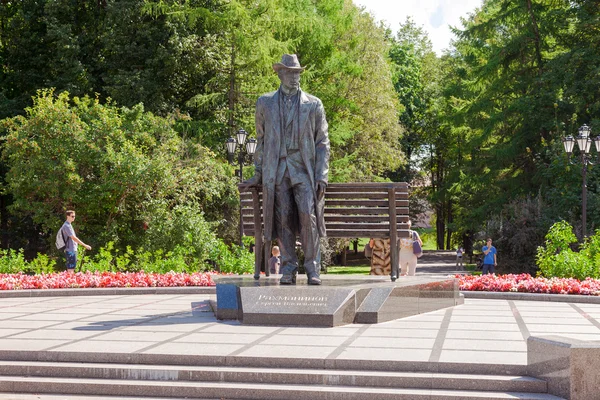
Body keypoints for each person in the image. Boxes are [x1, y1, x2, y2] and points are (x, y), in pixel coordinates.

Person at [241, 54, 330, 286]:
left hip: (303, 171)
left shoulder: (313, 104)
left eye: (297, 73)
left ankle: (313, 269)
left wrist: (321, 174)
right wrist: (258, 173)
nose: (294, 77)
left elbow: (322, 143)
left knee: (307, 216)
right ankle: (288, 268)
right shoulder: (265, 103)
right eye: (290, 73)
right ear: (280, 74)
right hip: (278, 170)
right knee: (283, 220)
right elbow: (261, 141)